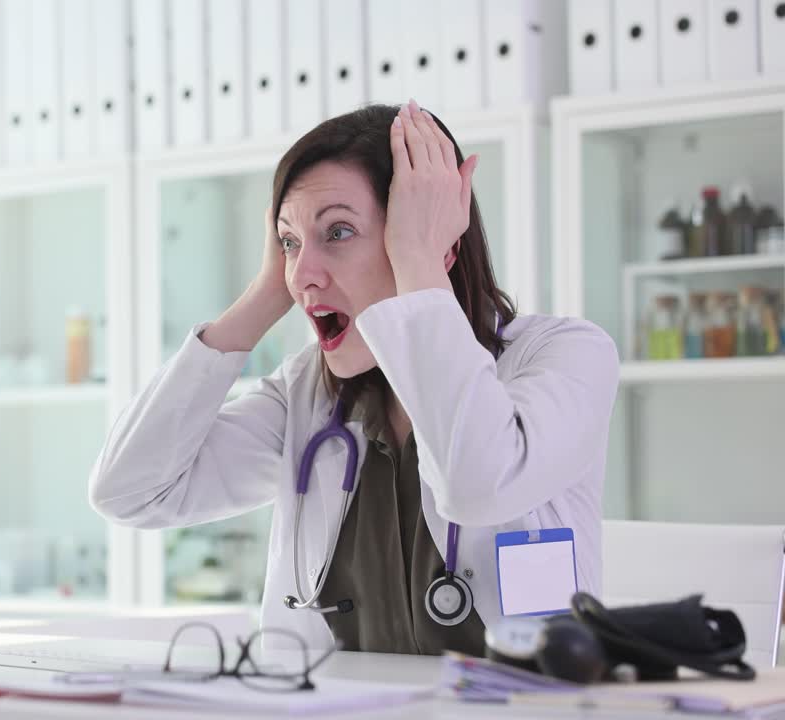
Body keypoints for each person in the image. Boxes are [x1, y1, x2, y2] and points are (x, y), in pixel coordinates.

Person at [89, 100, 620, 655]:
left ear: (439, 243)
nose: (303, 275)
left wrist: (420, 263)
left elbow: (478, 486)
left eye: (338, 231)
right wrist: (269, 290)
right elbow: (129, 492)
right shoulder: (309, 396)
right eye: (290, 243)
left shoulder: (565, 355)